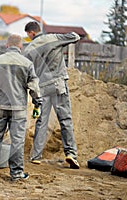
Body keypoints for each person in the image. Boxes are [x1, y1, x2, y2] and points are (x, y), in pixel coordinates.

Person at [0, 34, 42, 181]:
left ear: (6, 46)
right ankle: (16, 173)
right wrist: (37, 103)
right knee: (17, 141)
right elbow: (34, 87)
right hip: (18, 108)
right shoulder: (27, 64)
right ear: (20, 47)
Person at [23, 21, 80, 169]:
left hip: (42, 88)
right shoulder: (53, 38)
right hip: (58, 84)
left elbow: (26, 71)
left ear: (31, 33)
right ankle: (71, 153)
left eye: (28, 35)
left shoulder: (29, 49)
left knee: (42, 122)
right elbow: (75, 36)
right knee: (65, 119)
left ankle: (36, 156)